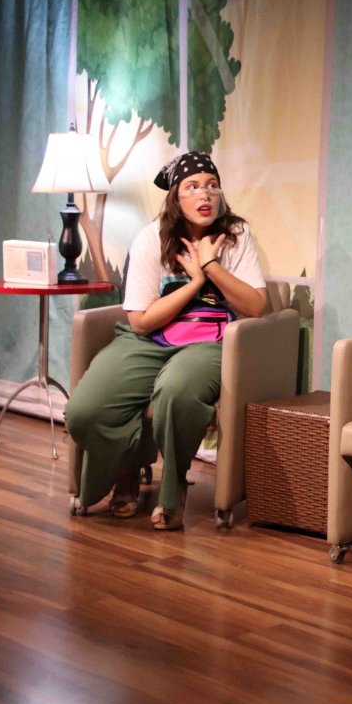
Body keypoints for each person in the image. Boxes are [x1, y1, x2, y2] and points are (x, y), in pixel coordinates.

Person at [66, 152, 268, 531]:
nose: (205, 194)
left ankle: (172, 490)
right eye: (193, 187)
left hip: (211, 342)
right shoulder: (152, 237)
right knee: (85, 410)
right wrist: (194, 284)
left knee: (176, 390)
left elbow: (256, 306)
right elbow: (141, 321)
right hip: (149, 339)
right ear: (176, 196)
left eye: (212, 185)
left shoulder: (235, 236)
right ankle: (126, 467)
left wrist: (210, 265)